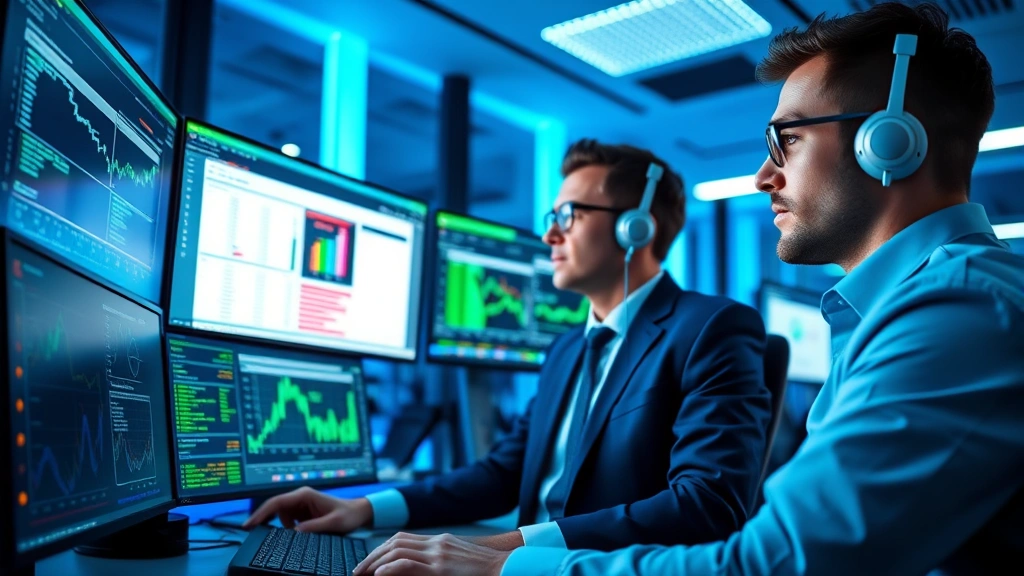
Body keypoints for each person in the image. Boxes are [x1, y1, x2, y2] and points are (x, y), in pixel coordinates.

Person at [352, 3, 1024, 575]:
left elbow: (769, 556)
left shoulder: (956, 309)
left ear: (890, 142)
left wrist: (511, 561)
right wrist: (367, 509)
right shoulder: (885, 313)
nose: (764, 175)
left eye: (785, 141)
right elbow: (506, 471)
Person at [244, 141, 773, 555]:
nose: (550, 238)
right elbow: (501, 475)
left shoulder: (712, 328)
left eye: (568, 217)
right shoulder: (568, 350)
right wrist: (361, 509)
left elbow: (709, 504)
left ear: (635, 229)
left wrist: (504, 549)